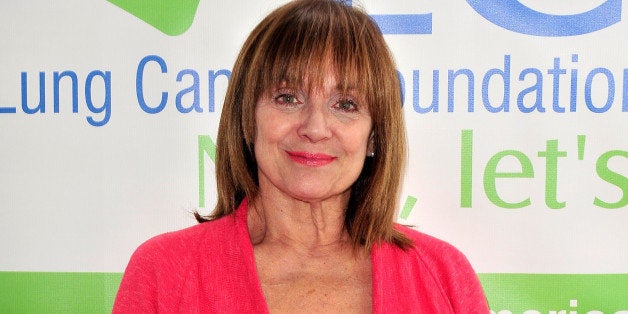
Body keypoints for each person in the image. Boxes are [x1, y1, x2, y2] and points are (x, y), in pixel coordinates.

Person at [113, 0, 489, 312]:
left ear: (374, 135)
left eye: (345, 104)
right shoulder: (164, 274)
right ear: (248, 117)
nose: (315, 126)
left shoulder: (444, 277)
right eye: (288, 98)